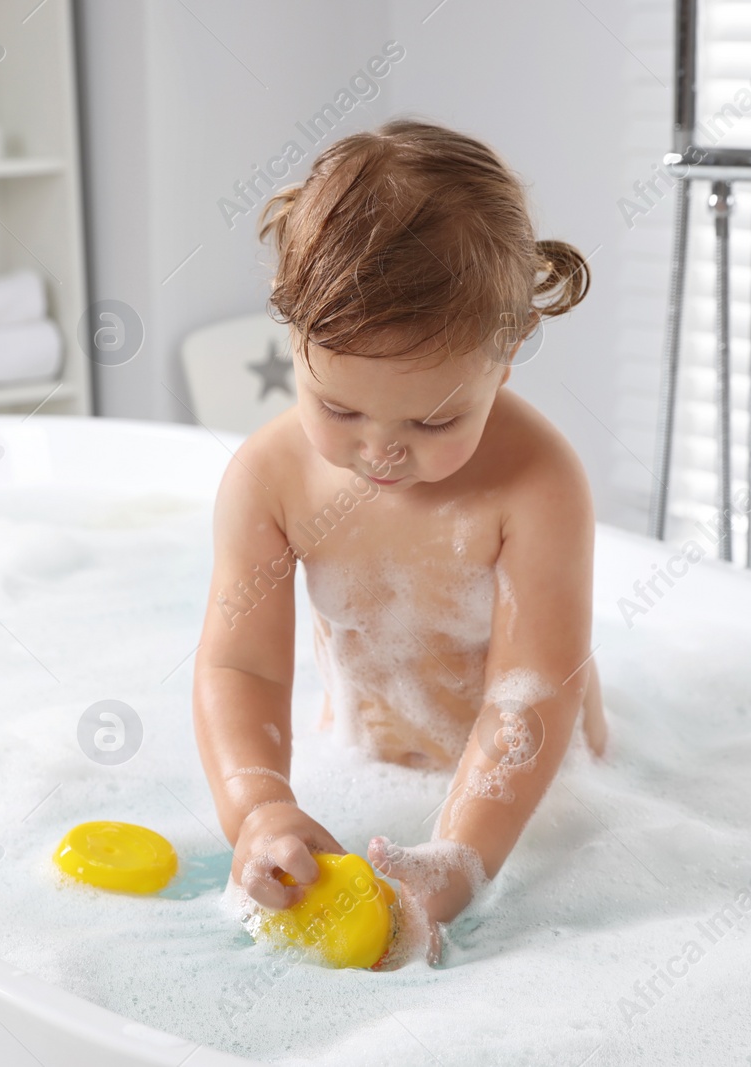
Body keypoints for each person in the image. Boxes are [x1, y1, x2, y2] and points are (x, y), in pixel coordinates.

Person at [193, 119, 606, 966]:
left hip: (532, 799)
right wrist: (260, 806)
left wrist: (460, 861)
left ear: (507, 353)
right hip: (368, 757)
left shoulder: (537, 483)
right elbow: (242, 667)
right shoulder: (271, 477)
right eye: (338, 407)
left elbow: (531, 695)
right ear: (293, 338)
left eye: (433, 418)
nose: (381, 448)